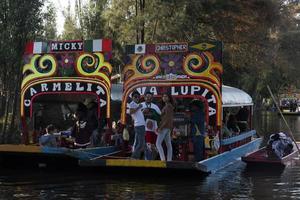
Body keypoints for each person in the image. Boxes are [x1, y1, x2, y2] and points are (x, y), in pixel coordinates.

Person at [141, 91, 161, 160]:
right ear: (144, 97)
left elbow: (159, 117)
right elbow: (135, 116)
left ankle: (153, 159)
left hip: (154, 129)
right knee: (146, 144)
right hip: (143, 128)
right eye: (147, 97)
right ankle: (146, 159)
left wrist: (152, 114)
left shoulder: (155, 107)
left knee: (153, 145)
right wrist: (143, 112)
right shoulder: (141, 105)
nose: (148, 98)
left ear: (152, 98)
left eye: (150, 97)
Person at [156, 93, 174, 161]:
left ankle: (163, 159)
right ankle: (169, 160)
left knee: (158, 143)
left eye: (166, 96)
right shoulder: (168, 106)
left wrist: (161, 127)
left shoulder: (168, 106)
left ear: (169, 98)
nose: (164, 98)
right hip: (168, 127)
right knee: (168, 144)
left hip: (164, 127)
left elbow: (167, 118)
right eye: (163, 96)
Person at [129, 91, 146, 159]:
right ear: (132, 97)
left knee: (139, 142)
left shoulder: (136, 104)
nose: (137, 98)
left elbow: (135, 114)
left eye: (138, 97)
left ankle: (137, 157)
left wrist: (142, 111)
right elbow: (131, 112)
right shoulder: (132, 103)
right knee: (141, 143)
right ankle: (134, 157)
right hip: (139, 125)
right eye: (135, 97)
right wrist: (139, 107)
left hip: (141, 125)